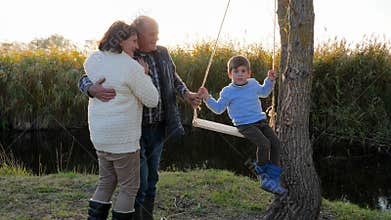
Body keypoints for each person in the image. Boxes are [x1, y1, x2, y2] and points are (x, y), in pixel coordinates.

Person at [78, 16, 201, 219]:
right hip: (135, 129)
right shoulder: (125, 56)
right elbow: (85, 77)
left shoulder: (162, 53)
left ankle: (146, 217)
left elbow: (174, 77)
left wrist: (187, 94)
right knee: (138, 184)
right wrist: (90, 88)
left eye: (157, 33)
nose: (156, 38)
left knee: (151, 180)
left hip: (159, 127)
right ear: (138, 35)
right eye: (151, 34)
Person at [85, 21, 159, 220]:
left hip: (100, 136)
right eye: (133, 41)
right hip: (123, 140)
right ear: (120, 41)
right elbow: (152, 99)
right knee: (128, 188)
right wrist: (146, 75)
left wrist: (89, 88)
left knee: (106, 182)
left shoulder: (94, 59)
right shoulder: (131, 67)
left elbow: (86, 76)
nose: (136, 45)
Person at [199, 55, 287, 195]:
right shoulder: (227, 92)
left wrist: (270, 80)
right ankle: (263, 176)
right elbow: (218, 108)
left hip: (260, 121)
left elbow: (264, 92)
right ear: (230, 74)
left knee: (276, 143)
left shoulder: (252, 84)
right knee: (264, 144)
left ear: (249, 73)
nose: (240, 74)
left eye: (243, 71)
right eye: (236, 71)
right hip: (245, 124)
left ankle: (273, 179)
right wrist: (207, 98)